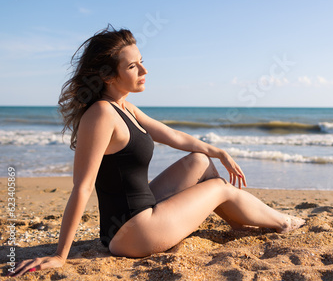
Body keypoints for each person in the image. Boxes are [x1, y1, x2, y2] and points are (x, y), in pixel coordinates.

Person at [9, 26, 304, 277]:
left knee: (200, 162)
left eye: (141, 61)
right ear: (109, 76)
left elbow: (173, 135)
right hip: (134, 232)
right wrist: (61, 255)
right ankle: (282, 221)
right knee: (218, 187)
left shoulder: (124, 107)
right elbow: (82, 187)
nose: (144, 70)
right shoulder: (101, 114)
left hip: (136, 218)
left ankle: (239, 221)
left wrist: (218, 151)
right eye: (132, 66)